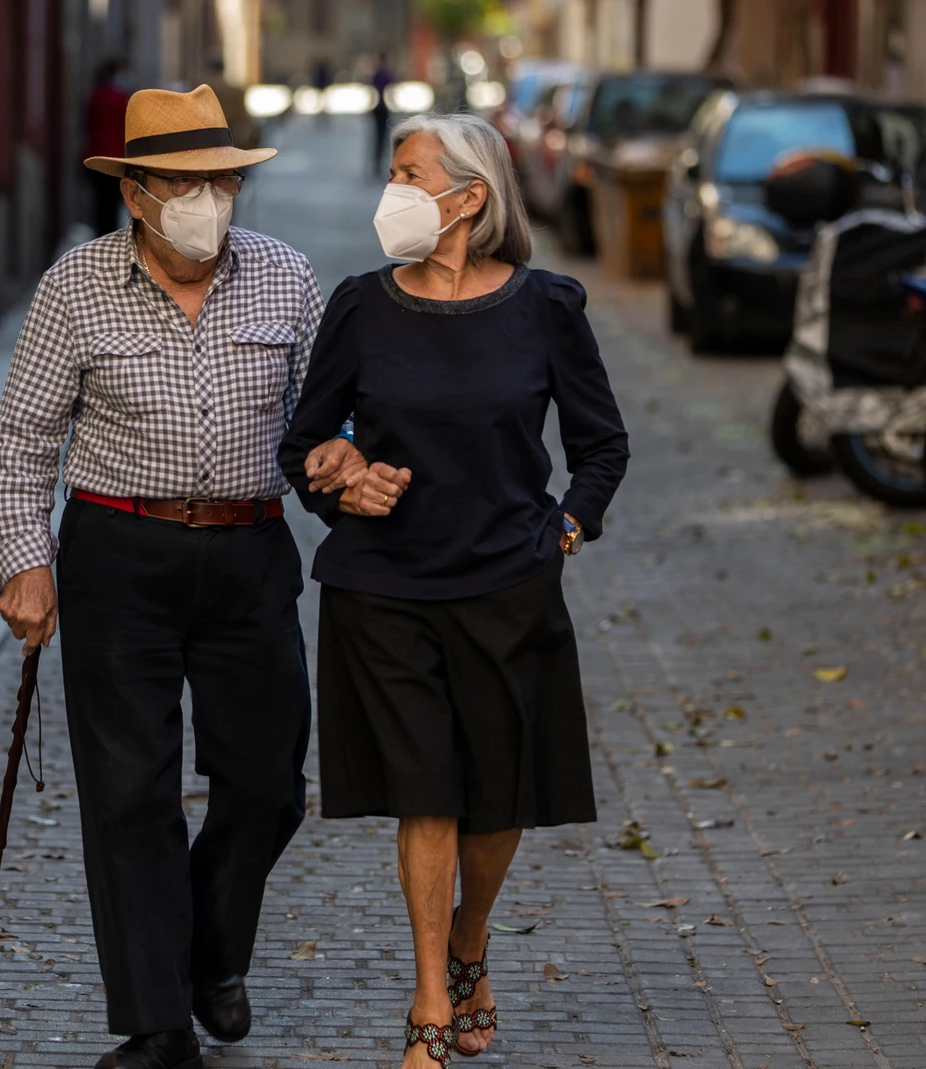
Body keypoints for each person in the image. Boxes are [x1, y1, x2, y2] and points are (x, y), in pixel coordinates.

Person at [0, 85, 325, 1069]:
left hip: (251, 551)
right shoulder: (74, 287)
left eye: (220, 181)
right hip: (117, 554)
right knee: (130, 791)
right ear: (134, 192)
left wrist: (349, 466)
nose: (207, 199)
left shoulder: (286, 277)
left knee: (266, 787)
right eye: (183, 182)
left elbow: (322, 424)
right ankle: (159, 1020)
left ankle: (210, 949)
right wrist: (25, 561)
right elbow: (22, 443)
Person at [278, 113, 630, 1068]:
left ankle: (473, 939)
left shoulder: (547, 306)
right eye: (393, 172)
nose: (391, 190)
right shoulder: (359, 304)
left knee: (497, 801)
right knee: (424, 790)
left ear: (468, 197)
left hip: (508, 586)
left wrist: (567, 523)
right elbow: (301, 443)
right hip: (382, 587)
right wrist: (341, 472)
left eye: (408, 173)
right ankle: (431, 989)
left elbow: (602, 443)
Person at [84, 58, 133, 237]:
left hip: (95, 159)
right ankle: (111, 239)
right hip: (116, 159)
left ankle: (101, 238)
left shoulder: (94, 96)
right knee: (113, 205)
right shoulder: (121, 99)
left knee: (100, 207)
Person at [370, 53, 396, 177]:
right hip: (383, 108)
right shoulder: (385, 74)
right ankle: (379, 162)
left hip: (378, 107)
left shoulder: (377, 74)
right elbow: (390, 91)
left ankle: (377, 162)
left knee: (378, 136)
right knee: (382, 136)